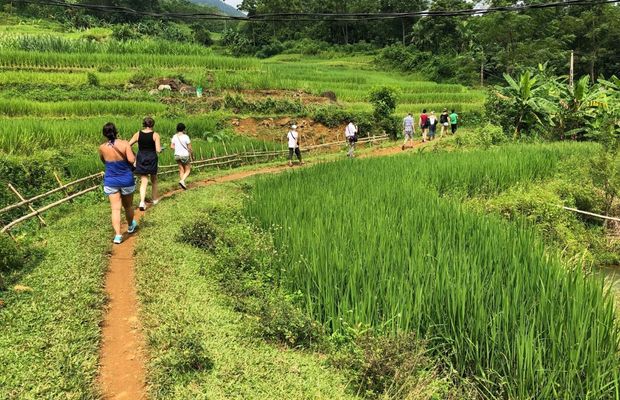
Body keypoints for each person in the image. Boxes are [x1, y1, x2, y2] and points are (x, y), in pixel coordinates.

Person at [99, 122, 138, 245]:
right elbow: (131, 160)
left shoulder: (102, 148)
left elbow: (104, 160)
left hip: (111, 181)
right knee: (128, 206)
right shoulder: (125, 144)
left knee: (115, 209)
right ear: (116, 131)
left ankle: (117, 235)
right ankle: (131, 226)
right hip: (126, 179)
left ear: (105, 134)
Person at [129, 117, 161, 211]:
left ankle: (142, 202)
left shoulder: (138, 134)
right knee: (154, 179)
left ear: (144, 124)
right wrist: (161, 149)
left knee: (144, 180)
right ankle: (155, 199)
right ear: (152, 125)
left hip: (141, 157)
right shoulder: (155, 135)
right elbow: (158, 149)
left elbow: (128, 144)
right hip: (151, 158)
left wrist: (134, 155)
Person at [171, 122, 192, 190]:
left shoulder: (174, 136)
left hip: (177, 155)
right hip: (184, 155)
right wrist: (191, 154)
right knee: (188, 169)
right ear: (184, 129)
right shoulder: (186, 137)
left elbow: (172, 146)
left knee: (181, 169)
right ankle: (182, 181)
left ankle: (183, 184)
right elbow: (189, 148)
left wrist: (177, 149)